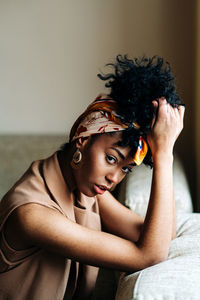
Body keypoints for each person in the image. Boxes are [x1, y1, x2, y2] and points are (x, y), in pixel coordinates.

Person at [0, 55, 185, 300]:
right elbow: (149, 255)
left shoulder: (87, 190)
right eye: (111, 159)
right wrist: (164, 155)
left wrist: (164, 150)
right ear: (82, 139)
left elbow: (163, 235)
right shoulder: (32, 214)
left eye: (126, 169)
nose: (114, 178)